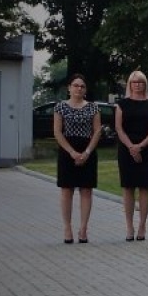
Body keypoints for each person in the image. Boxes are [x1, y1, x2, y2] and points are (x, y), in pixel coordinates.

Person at [53, 74, 101, 243]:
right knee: (67, 190)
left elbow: (97, 131)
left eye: (82, 86)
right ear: (69, 88)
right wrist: (72, 152)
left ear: (85, 90)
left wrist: (86, 152)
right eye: (76, 85)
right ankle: (67, 228)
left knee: (86, 190)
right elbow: (57, 132)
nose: (79, 88)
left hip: (87, 149)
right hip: (67, 150)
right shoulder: (60, 107)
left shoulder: (93, 107)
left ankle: (83, 229)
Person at [114, 70, 148, 241]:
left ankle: (142, 226)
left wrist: (140, 146)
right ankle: (129, 227)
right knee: (127, 187)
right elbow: (119, 128)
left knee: (144, 186)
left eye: (141, 82)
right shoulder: (122, 104)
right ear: (130, 84)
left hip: (146, 148)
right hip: (126, 149)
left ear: (145, 84)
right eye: (134, 82)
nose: (138, 85)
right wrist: (131, 147)